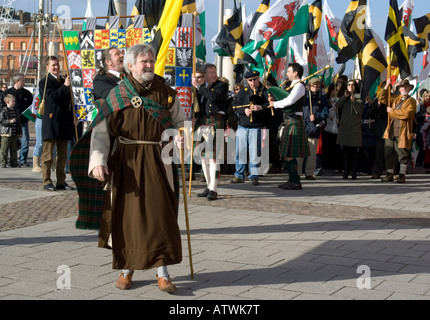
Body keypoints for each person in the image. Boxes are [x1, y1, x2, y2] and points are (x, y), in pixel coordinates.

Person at [70, 44, 186, 292]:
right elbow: (101, 131)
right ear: (130, 66)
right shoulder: (117, 94)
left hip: (158, 160)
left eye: (151, 61)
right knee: (127, 218)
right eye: (143, 61)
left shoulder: (166, 93)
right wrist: (98, 160)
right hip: (126, 162)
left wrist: (180, 136)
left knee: (160, 217)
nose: (148, 65)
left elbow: (181, 123)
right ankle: (126, 270)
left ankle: (162, 272)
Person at [39, 56, 77, 191]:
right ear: (47, 67)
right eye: (53, 65)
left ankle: (61, 181)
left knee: (62, 156)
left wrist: (75, 116)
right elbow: (51, 97)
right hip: (51, 121)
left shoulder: (64, 80)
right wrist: (65, 87)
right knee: (48, 155)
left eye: (57, 64)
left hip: (65, 121)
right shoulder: (44, 82)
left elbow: (71, 101)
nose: (56, 67)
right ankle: (46, 181)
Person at [269, 63, 309, 190]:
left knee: (290, 153)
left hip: (294, 121)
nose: (287, 74)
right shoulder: (291, 86)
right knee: (287, 154)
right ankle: (292, 180)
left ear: (295, 73)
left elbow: (290, 101)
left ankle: (296, 181)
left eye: (289, 71)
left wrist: (274, 104)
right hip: (288, 121)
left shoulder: (299, 86)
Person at [192, 63, 229, 200]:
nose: (214, 75)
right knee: (203, 157)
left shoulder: (221, 86)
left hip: (215, 121)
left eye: (215, 72)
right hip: (203, 122)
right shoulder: (202, 88)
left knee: (213, 157)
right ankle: (208, 186)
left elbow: (214, 97)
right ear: (205, 75)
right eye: (210, 73)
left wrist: (198, 86)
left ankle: (214, 189)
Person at [231, 70, 269, 185]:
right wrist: (244, 110)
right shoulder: (243, 91)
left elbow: (270, 105)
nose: (253, 82)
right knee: (240, 151)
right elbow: (235, 106)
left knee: (254, 152)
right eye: (250, 80)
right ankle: (239, 174)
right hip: (243, 125)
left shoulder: (264, 91)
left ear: (259, 79)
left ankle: (254, 175)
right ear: (247, 81)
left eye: (255, 79)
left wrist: (260, 107)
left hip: (256, 125)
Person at [380, 79, 417, 183]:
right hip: (390, 130)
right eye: (402, 87)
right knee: (388, 152)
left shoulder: (412, 101)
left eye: (406, 87)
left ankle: (402, 174)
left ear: (409, 89)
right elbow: (382, 98)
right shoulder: (396, 99)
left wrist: (392, 112)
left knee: (402, 154)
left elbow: (406, 114)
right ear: (399, 89)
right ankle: (389, 173)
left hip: (403, 131)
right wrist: (386, 86)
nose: (403, 88)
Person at [0, 74, 33, 167]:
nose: (24, 82)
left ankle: (23, 160)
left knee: (25, 142)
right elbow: (2, 107)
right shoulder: (6, 93)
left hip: (23, 122)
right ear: (17, 81)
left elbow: (31, 106)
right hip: (9, 124)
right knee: (7, 144)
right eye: (23, 80)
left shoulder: (27, 94)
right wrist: (8, 118)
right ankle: (5, 161)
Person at [335, 79, 364, 180]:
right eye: (348, 85)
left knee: (354, 152)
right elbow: (337, 105)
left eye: (352, 85)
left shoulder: (359, 97)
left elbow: (360, 111)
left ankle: (354, 172)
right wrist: (345, 97)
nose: (350, 87)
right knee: (346, 152)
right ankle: (345, 172)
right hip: (345, 128)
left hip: (354, 128)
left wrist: (353, 100)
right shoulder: (344, 97)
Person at [302, 77, 329, 180]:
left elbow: (325, 112)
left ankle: (309, 173)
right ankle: (298, 172)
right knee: (299, 154)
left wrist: (317, 117)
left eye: (318, 85)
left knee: (312, 154)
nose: (315, 87)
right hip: (303, 126)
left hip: (314, 128)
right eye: (313, 85)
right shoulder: (304, 96)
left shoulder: (322, 98)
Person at [368, 82, 389, 179]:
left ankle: (391, 172)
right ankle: (377, 171)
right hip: (380, 129)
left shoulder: (393, 99)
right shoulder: (377, 101)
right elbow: (370, 113)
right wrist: (378, 105)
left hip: (390, 129)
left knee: (390, 151)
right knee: (379, 152)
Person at [0, 94, 22, 168]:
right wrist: (9, 122)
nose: (14, 103)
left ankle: (13, 162)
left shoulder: (16, 111)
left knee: (14, 149)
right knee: (4, 149)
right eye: (12, 101)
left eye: (14, 101)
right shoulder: (4, 111)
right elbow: (2, 121)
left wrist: (19, 132)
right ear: (7, 102)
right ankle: (3, 162)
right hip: (6, 133)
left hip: (14, 133)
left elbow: (19, 123)